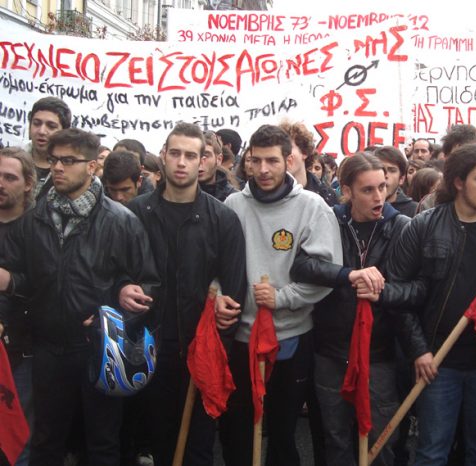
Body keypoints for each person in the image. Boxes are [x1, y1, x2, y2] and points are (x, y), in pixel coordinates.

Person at [0, 128, 159, 466]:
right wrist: (10, 281)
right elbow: (30, 283)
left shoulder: (121, 222)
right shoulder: (34, 221)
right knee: (45, 442)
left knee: (101, 446)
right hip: (47, 350)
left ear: (91, 167)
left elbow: (145, 285)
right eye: (55, 159)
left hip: (99, 350)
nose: (58, 167)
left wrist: (117, 307)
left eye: (68, 161)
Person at [388, 144, 476, 466]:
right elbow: (399, 293)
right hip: (438, 361)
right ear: (458, 182)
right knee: (432, 451)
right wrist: (418, 350)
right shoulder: (422, 226)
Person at [220, 124, 342, 466]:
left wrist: (283, 297)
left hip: (291, 336)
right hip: (241, 337)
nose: (262, 170)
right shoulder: (233, 204)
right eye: (255, 160)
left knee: (282, 430)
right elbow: (215, 263)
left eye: (271, 161)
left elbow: (326, 272)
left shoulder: (312, 207)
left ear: (288, 160)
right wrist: (217, 295)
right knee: (239, 429)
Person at [128, 122, 247, 466]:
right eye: (175, 153)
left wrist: (217, 340)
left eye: (191, 155)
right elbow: (119, 272)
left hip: (200, 350)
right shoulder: (136, 213)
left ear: (204, 163)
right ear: (163, 156)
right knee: (160, 442)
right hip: (148, 349)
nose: (182, 162)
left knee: (198, 447)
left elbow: (235, 287)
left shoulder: (223, 219)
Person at [290, 153, 412, 466]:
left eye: (382, 187)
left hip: (378, 352)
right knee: (336, 437)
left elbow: (416, 290)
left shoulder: (401, 227)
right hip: (331, 350)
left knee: (381, 439)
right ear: (347, 191)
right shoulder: (328, 218)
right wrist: (347, 276)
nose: (379, 197)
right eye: (368, 190)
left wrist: (380, 291)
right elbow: (302, 265)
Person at [0, 148, 36, 466]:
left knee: (17, 439)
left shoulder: (39, 229)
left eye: (9, 177)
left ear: (27, 183)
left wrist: (10, 281)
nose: (1, 183)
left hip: (21, 352)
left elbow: (51, 285)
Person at [280, 120, 337, 206]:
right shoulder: (268, 193)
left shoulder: (326, 195)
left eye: (287, 148)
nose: (282, 154)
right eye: (278, 150)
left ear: (304, 152)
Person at [25, 97, 72, 199]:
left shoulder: (73, 170)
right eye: (36, 123)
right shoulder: (10, 162)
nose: (42, 131)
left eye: (51, 126)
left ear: (64, 132)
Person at [373, 146, 418, 218]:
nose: (385, 175)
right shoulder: (359, 207)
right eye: (380, 169)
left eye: (392, 170)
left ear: (401, 179)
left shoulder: (415, 211)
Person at [199, 131, 237, 202]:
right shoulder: (177, 195)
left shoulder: (234, 199)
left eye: (205, 155)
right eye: (193, 156)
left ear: (219, 159)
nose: (200, 161)